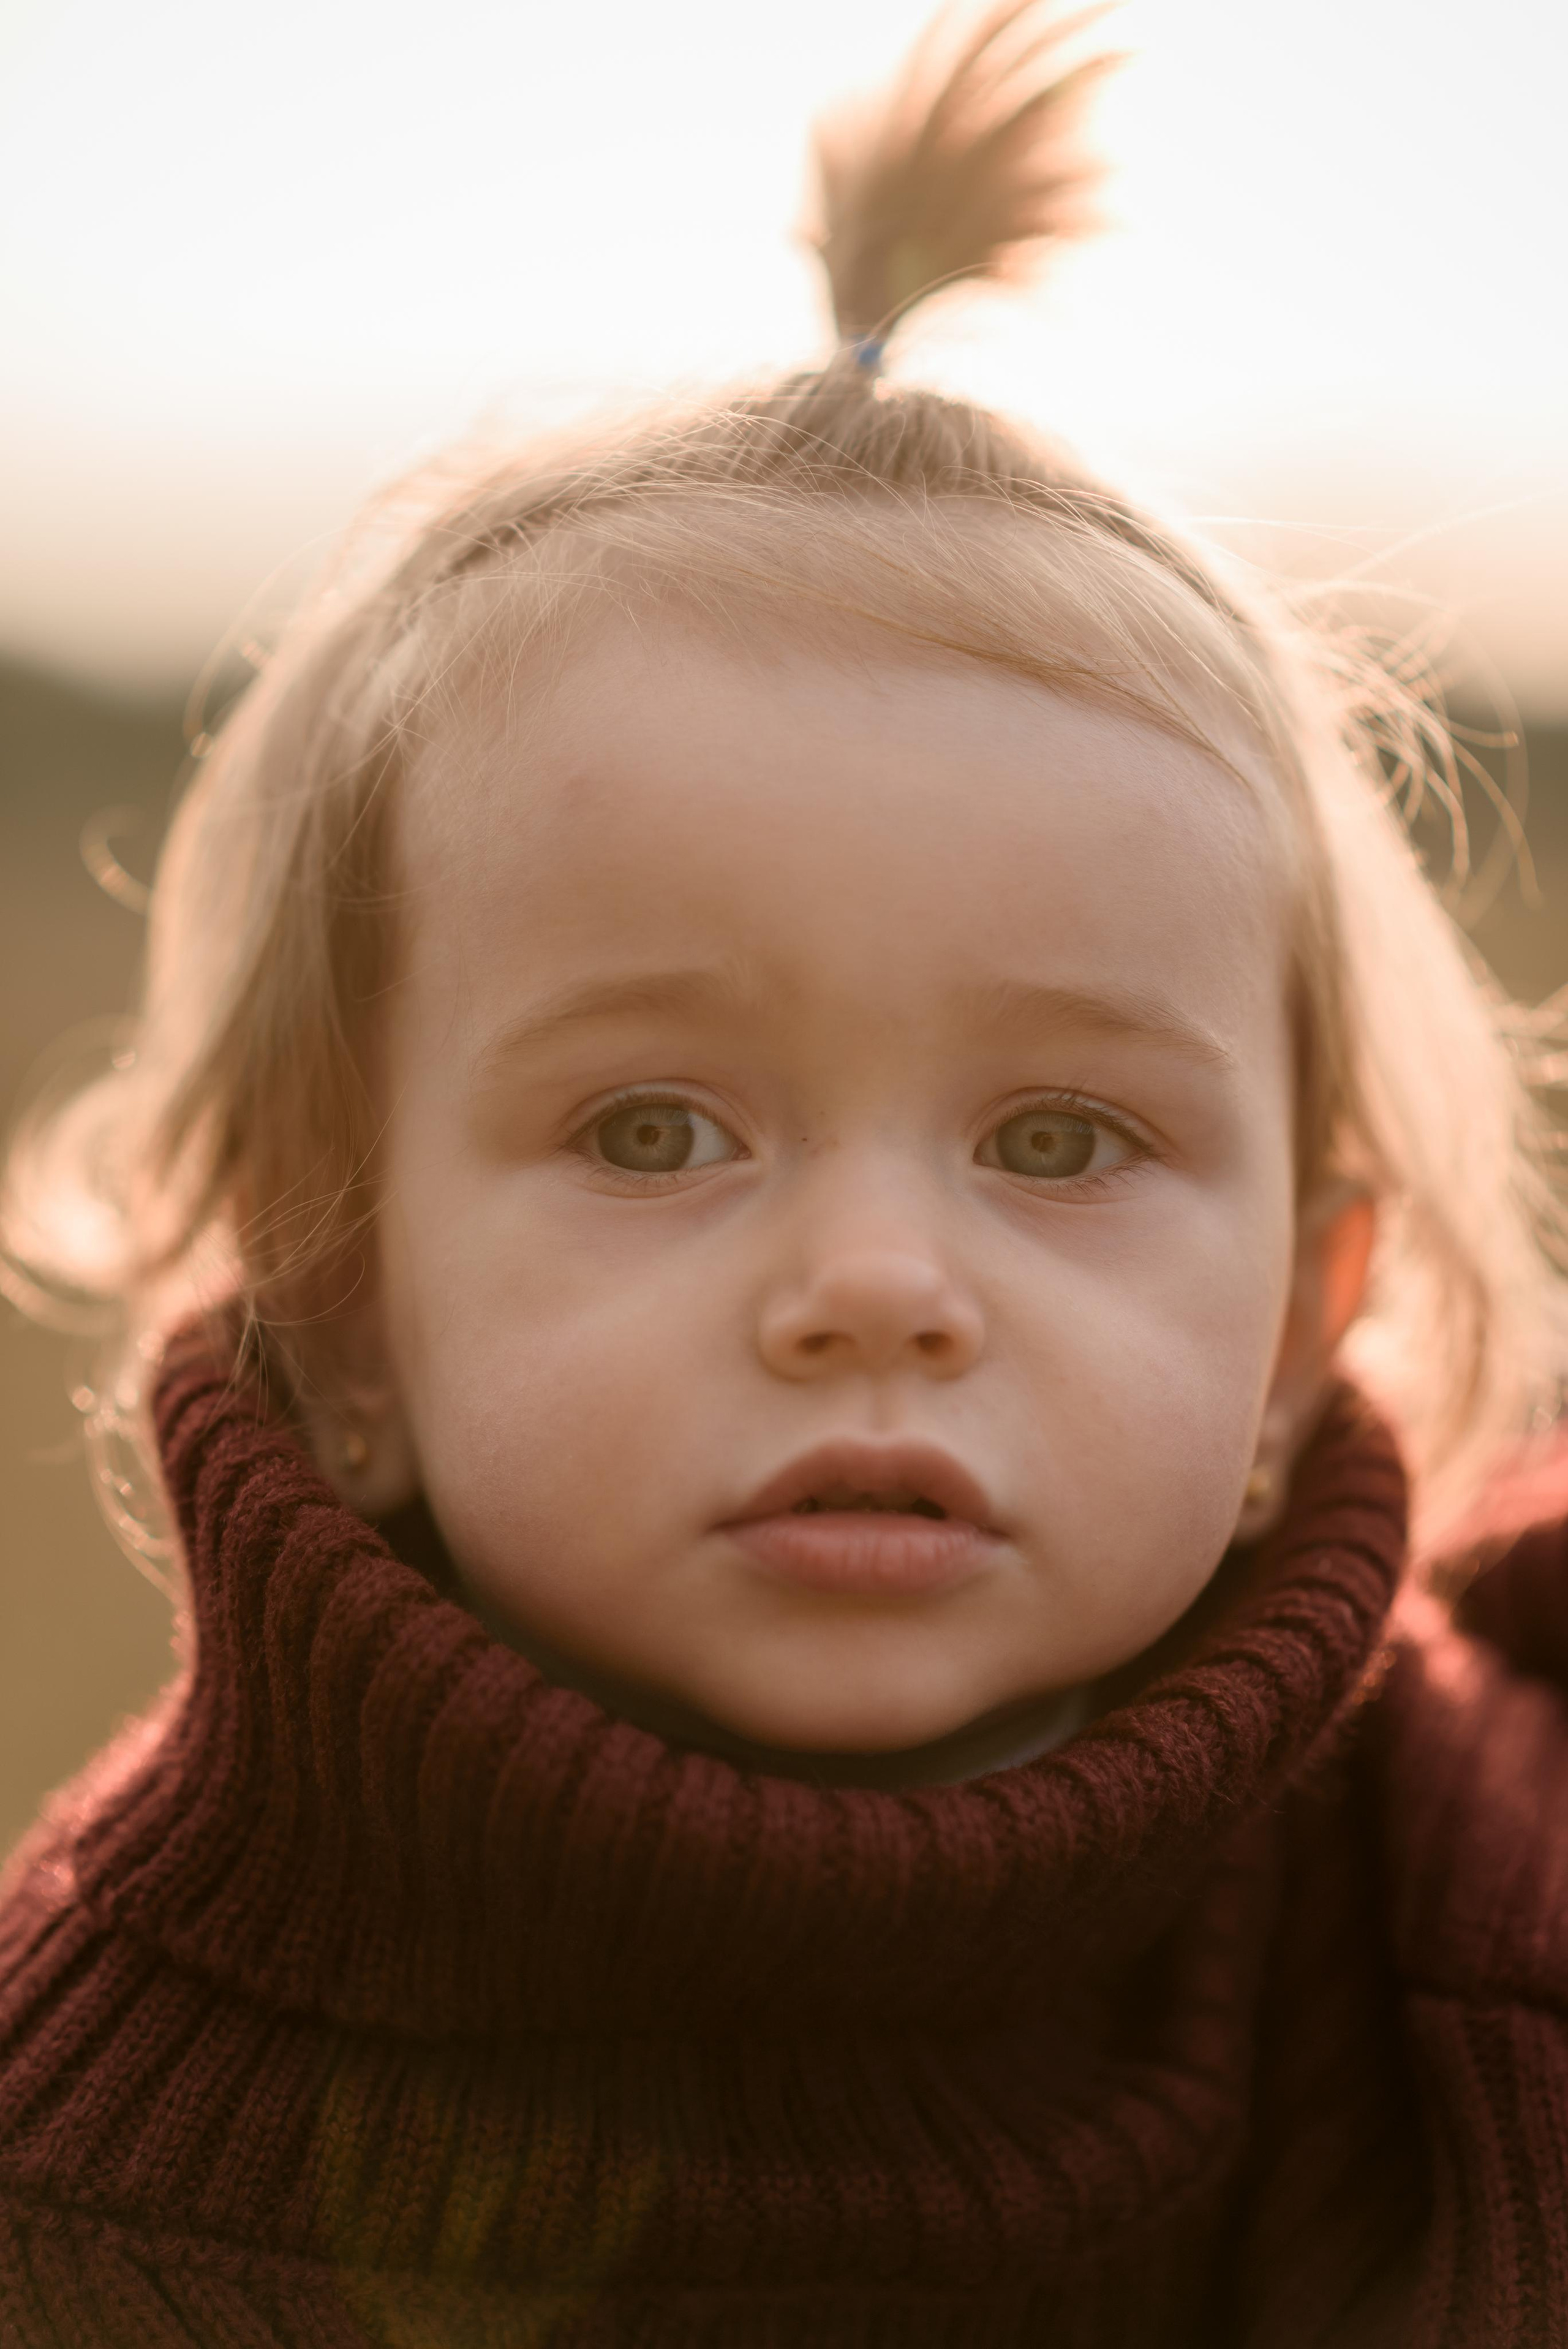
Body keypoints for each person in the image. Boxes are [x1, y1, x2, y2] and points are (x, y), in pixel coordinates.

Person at [2, 4, 1567, 2341]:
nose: (871, 1285)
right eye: (654, 1131)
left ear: (1296, 1333)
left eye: (1062, 1138)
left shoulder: (1491, 1931)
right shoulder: (105, 2175)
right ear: (341, 1304)